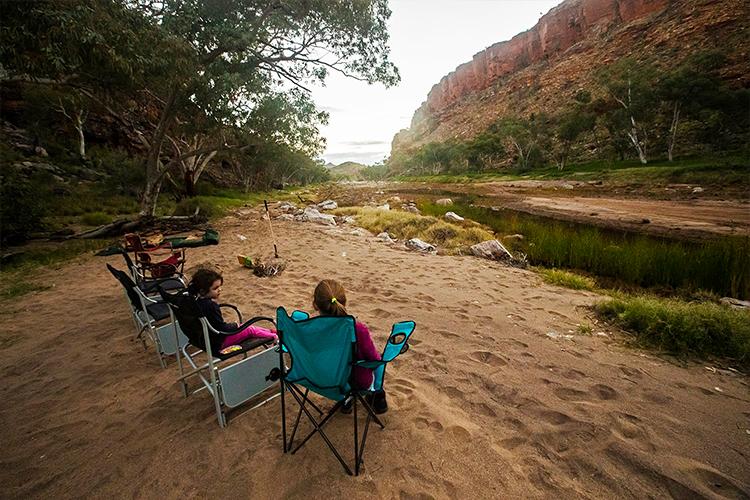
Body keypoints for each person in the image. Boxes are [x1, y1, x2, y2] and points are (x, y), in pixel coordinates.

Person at [312, 279, 388, 414]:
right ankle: (377, 395)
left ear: (315, 305)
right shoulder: (357, 330)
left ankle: (346, 401)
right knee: (379, 361)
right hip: (355, 383)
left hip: (320, 379)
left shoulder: (309, 329)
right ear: (344, 302)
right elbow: (374, 360)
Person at [188, 268, 277, 351]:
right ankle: (274, 337)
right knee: (249, 329)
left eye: (219, 286)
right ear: (203, 291)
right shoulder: (211, 306)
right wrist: (234, 325)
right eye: (215, 288)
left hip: (203, 340)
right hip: (218, 342)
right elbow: (222, 328)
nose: (220, 290)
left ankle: (272, 331)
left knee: (245, 327)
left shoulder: (193, 303)